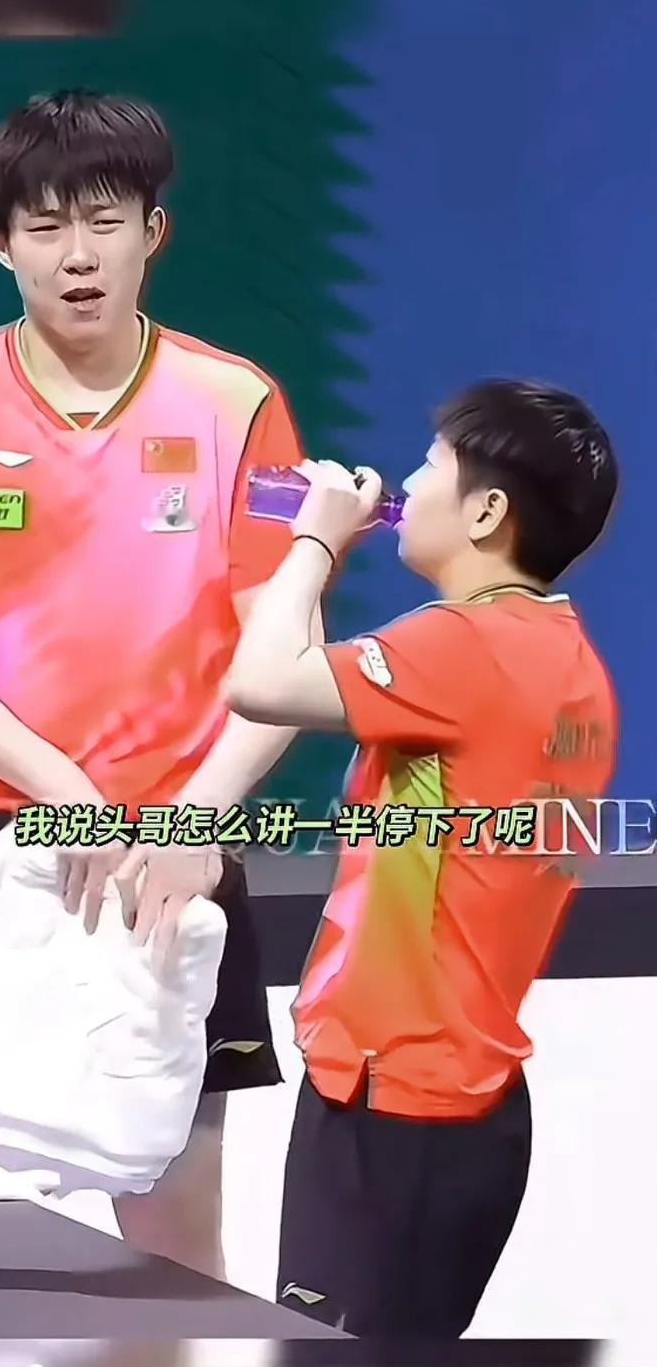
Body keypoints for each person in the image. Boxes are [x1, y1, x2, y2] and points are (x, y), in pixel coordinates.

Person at [0, 88, 318, 1280]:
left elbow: (283, 653)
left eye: (105, 220)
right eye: (46, 225)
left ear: (153, 232)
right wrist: (67, 790)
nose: (78, 254)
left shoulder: (237, 402)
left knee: (173, 1246)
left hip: (176, 848)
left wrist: (188, 820)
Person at [224, 380, 619, 1335]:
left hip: (388, 1101)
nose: (403, 482)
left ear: (486, 512)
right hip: (474, 1109)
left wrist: (314, 540)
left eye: (429, 466)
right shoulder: (569, 660)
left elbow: (257, 682)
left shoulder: (460, 647)